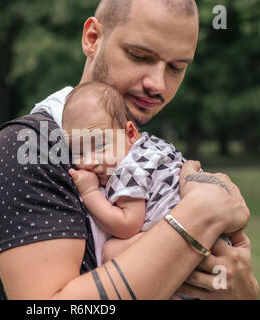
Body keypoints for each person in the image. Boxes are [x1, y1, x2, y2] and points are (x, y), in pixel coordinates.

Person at [0, 0, 259, 299]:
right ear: (92, 38)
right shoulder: (29, 147)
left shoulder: (136, 148)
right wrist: (200, 215)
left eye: (176, 68)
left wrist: (245, 291)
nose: (158, 84)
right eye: (140, 56)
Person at [62, 81, 231, 299]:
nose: (90, 161)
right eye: (79, 152)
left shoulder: (129, 168)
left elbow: (127, 225)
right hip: (212, 242)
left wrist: (90, 193)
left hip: (196, 247)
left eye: (100, 145)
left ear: (130, 133)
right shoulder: (153, 147)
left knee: (112, 251)